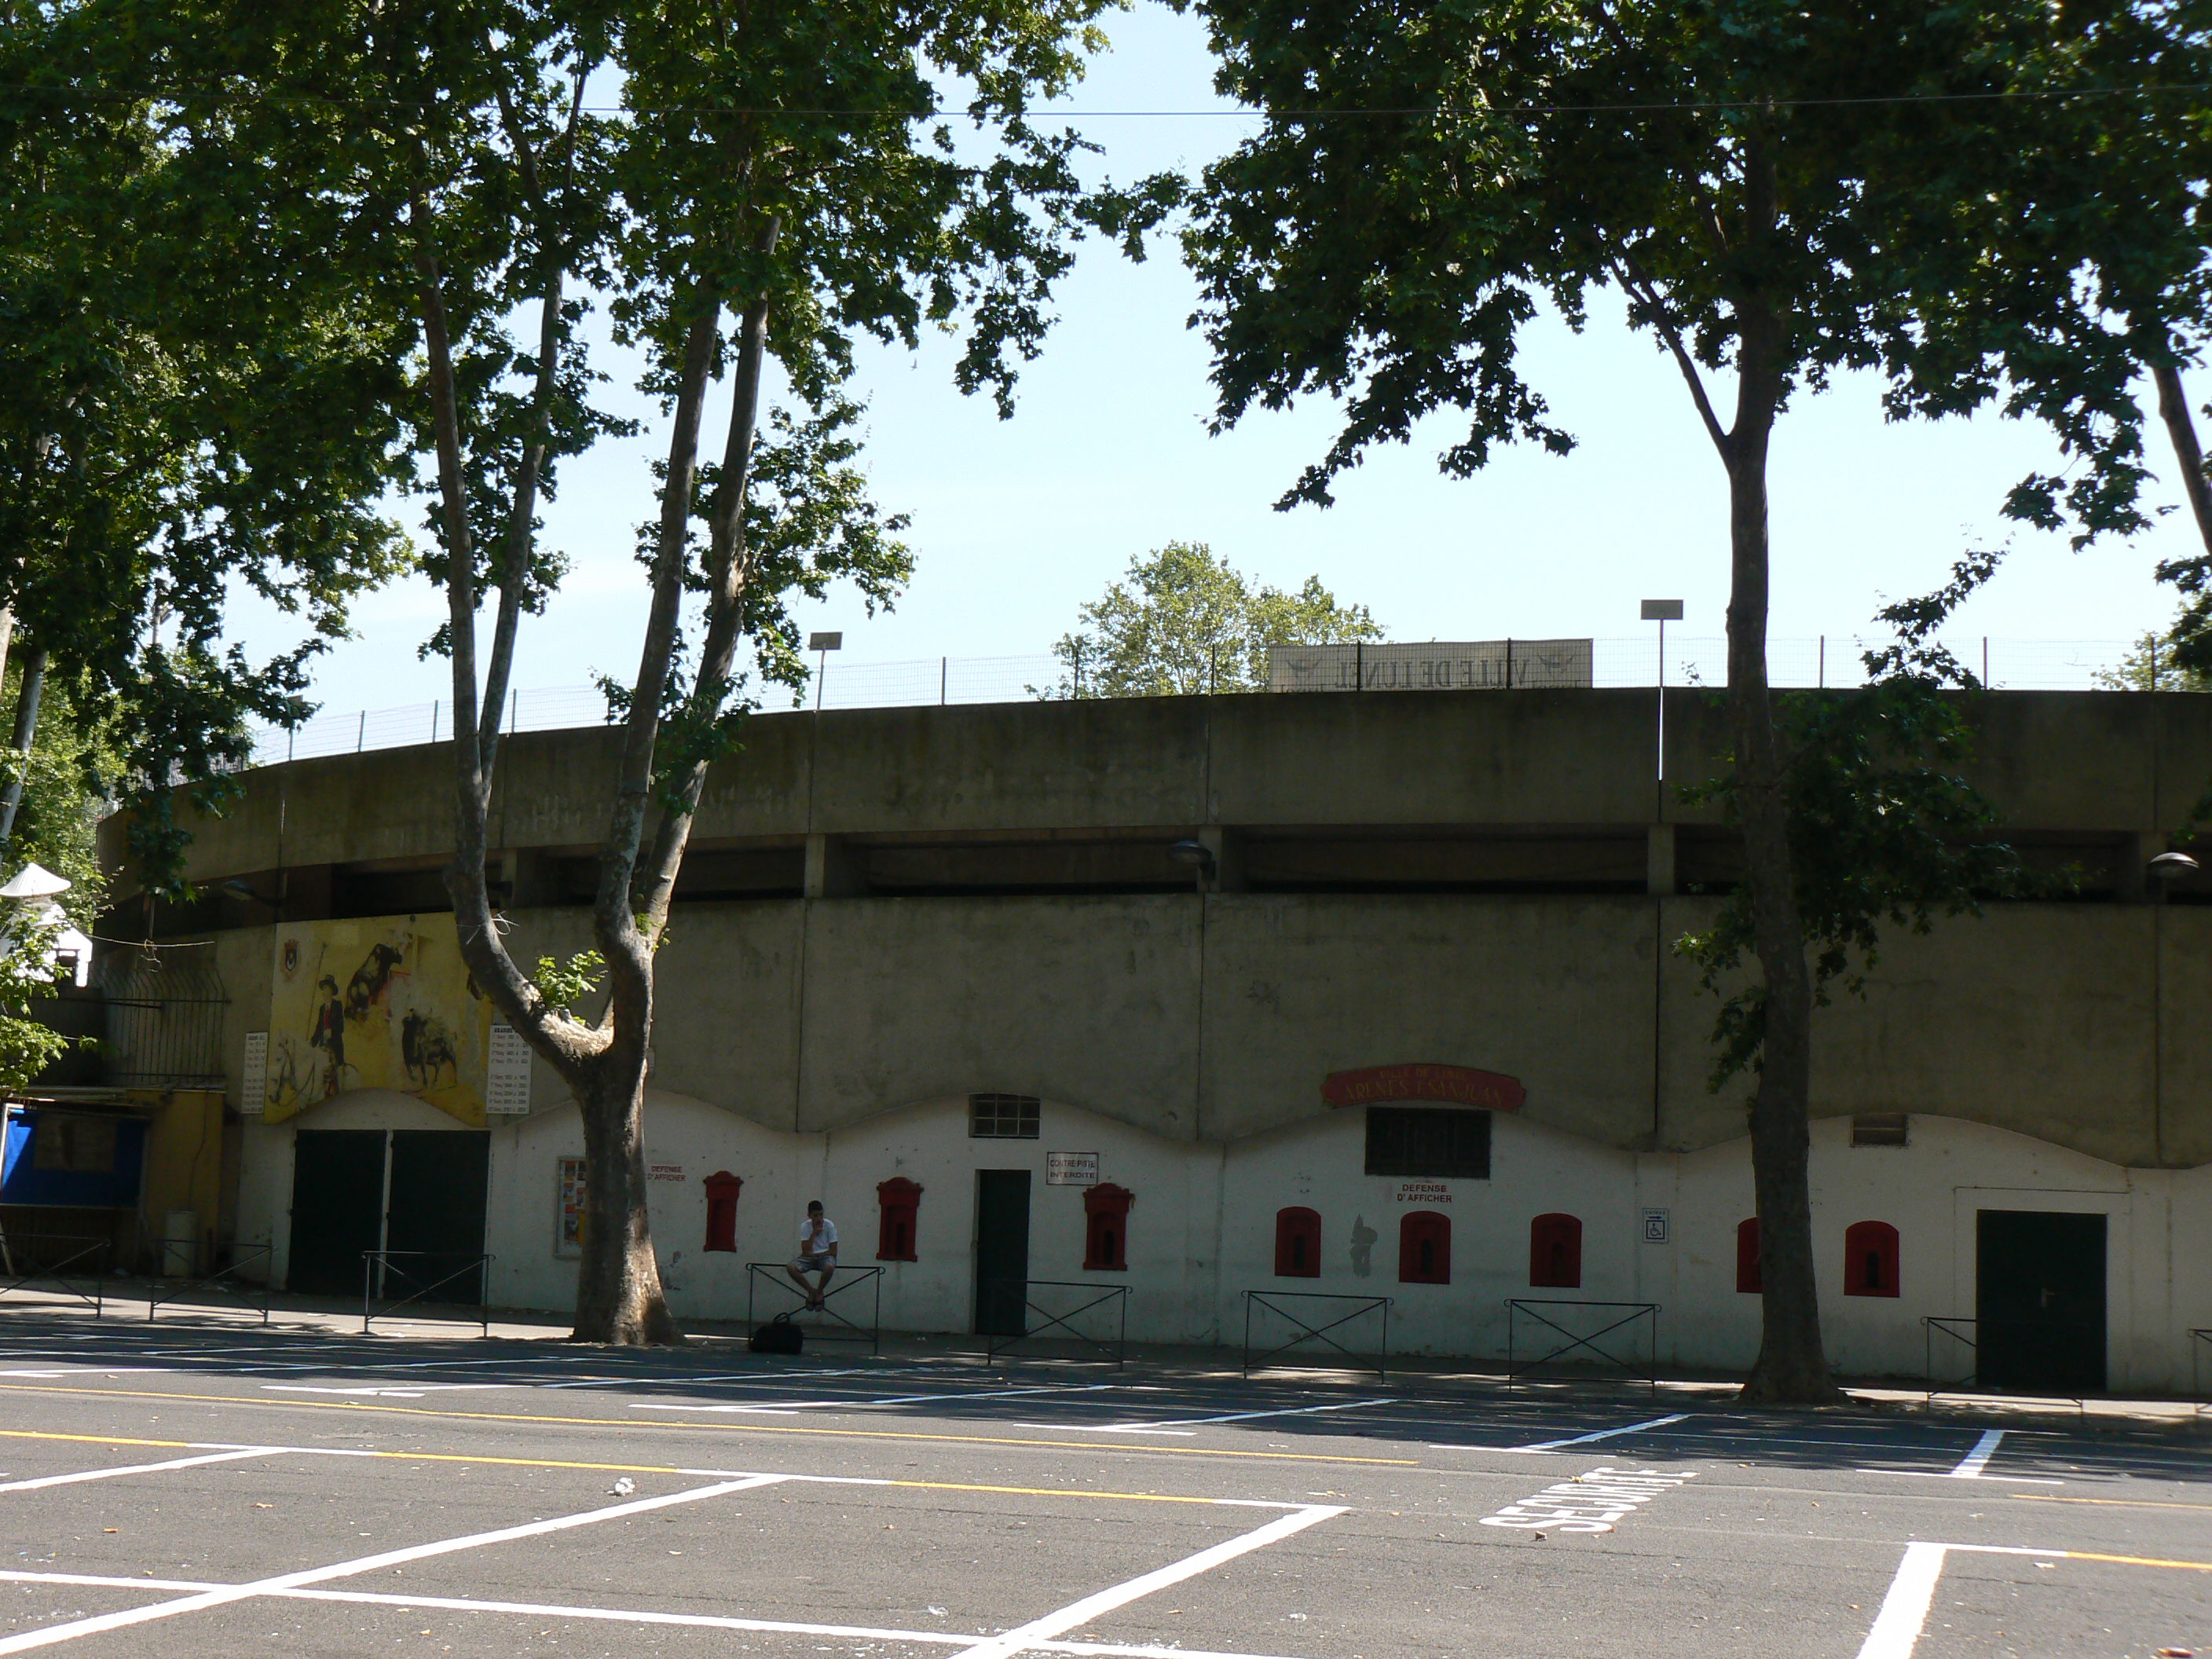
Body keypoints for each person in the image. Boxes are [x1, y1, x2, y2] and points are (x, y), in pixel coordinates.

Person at [786, 1200, 838, 1309]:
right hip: (809, 1257)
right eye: (815, 1215)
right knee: (791, 1267)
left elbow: (833, 1251)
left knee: (830, 1267)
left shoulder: (829, 1225)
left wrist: (816, 1255)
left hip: (825, 1257)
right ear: (810, 1216)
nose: (819, 1218)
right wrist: (814, 1233)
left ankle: (819, 1292)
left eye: (821, 1215)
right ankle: (811, 1291)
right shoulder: (805, 1226)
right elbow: (805, 1250)